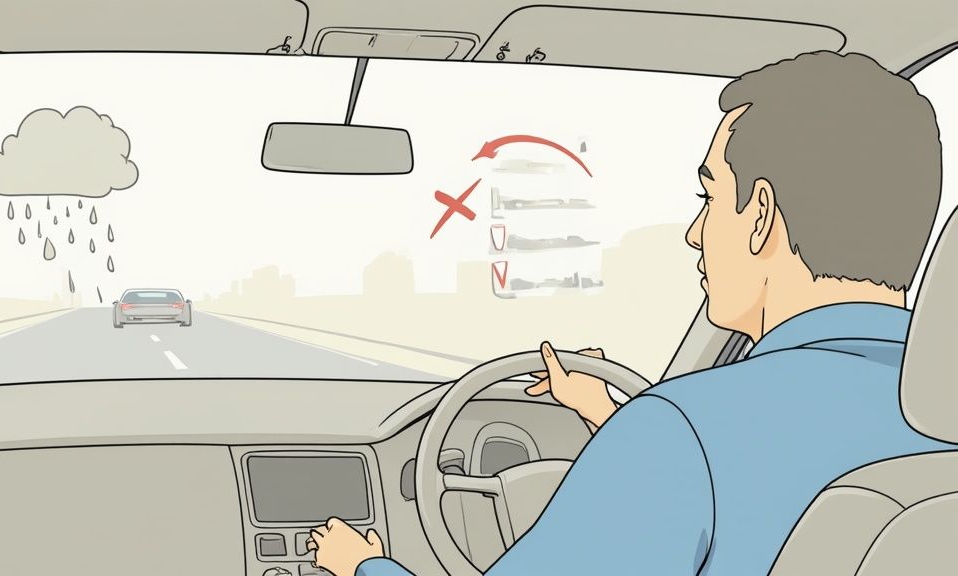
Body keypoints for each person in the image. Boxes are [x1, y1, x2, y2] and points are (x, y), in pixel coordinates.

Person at [305, 51, 956, 576]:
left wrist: (363, 565)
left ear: (760, 215)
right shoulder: (937, 412)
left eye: (709, 197)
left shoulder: (680, 433)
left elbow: (715, 459)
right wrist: (613, 419)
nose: (695, 233)